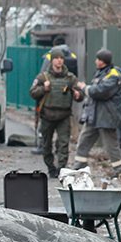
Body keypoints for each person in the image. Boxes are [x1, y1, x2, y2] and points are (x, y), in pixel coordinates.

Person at [29, 50, 84, 178]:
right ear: (52, 60)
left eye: (61, 58)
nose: (59, 60)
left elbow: (80, 94)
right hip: (47, 115)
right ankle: (51, 167)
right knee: (46, 144)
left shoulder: (70, 78)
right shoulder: (43, 77)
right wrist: (44, 88)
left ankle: (61, 169)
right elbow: (32, 92)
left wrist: (78, 95)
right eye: (56, 58)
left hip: (63, 116)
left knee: (64, 144)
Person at [71, 50, 121, 176]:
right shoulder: (102, 73)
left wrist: (85, 88)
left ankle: (120, 170)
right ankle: (79, 167)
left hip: (107, 117)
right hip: (94, 115)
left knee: (111, 145)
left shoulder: (113, 75)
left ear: (103, 61)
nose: (96, 61)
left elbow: (100, 92)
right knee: (84, 140)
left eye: (98, 59)